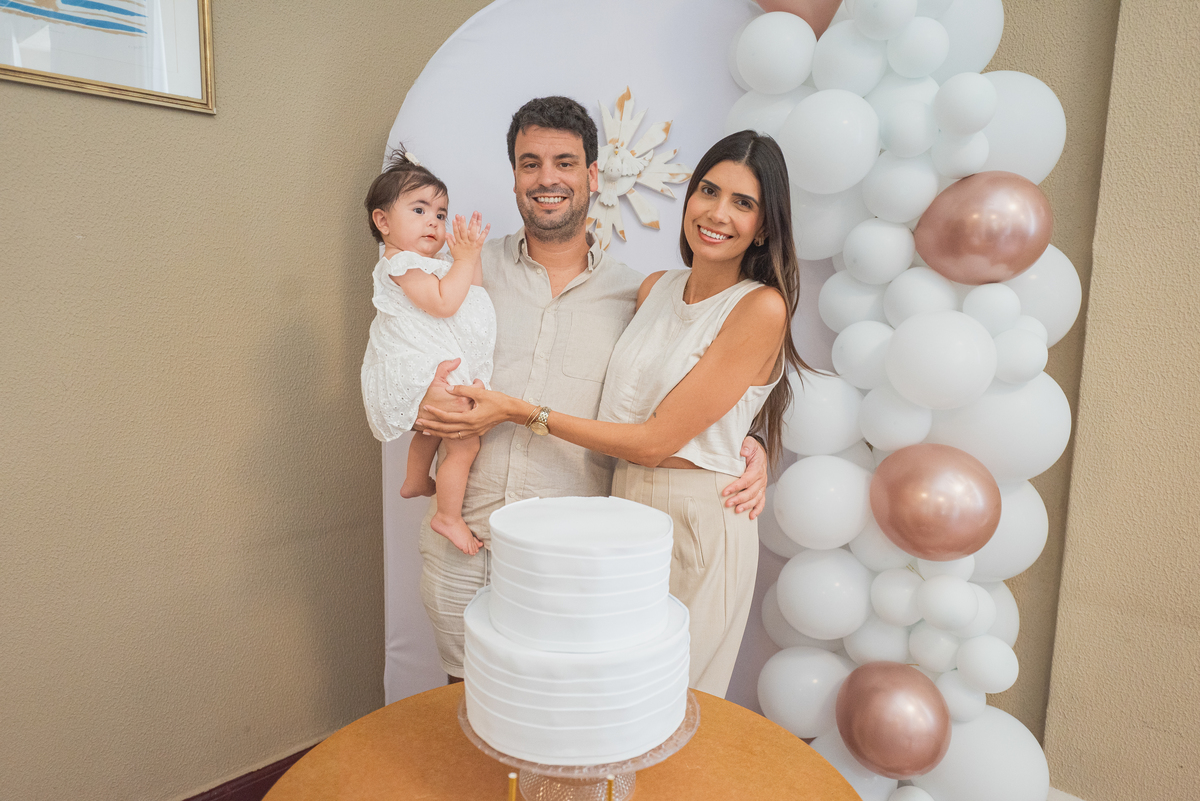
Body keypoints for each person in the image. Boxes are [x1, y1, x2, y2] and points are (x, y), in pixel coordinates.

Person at [418, 130, 809, 697]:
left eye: (743, 203)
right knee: (607, 700)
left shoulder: (758, 304)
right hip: (620, 514)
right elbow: (657, 400)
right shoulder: (653, 291)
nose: (718, 212)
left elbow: (657, 439)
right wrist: (748, 440)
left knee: (672, 703)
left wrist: (517, 411)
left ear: (765, 224)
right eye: (708, 191)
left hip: (696, 519)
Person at [360, 148, 494, 556]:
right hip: (413, 364)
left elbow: (473, 295)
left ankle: (416, 479)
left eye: (440, 214)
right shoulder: (400, 264)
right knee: (465, 443)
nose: (433, 223)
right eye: (419, 210)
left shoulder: (425, 263)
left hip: (426, 364)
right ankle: (448, 517)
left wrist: (469, 258)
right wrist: (465, 260)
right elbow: (443, 303)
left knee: (435, 427)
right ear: (383, 222)